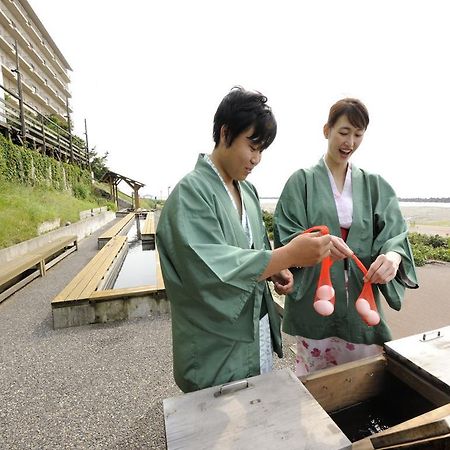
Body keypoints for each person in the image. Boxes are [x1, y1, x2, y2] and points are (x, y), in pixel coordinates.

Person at [156, 87, 332, 393]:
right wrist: (287, 255)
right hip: (216, 346)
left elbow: (256, 251)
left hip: (256, 333)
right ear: (225, 133)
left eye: (262, 150)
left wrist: (277, 268)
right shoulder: (191, 193)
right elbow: (210, 272)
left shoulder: (247, 191)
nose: (257, 158)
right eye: (252, 146)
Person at [273, 98, 419, 376]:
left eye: (358, 134)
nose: (349, 141)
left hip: (361, 300)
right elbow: (286, 234)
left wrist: (393, 256)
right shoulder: (300, 181)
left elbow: (396, 233)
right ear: (326, 130)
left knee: (364, 381)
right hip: (315, 297)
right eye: (343, 132)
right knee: (316, 384)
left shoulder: (375, 185)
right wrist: (319, 244)